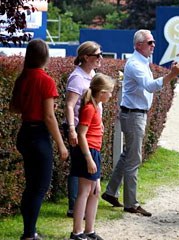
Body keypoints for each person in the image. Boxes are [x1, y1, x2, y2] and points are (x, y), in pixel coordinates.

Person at [101, 29, 179, 217]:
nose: (153, 45)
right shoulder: (136, 64)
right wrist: (172, 75)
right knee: (133, 159)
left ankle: (110, 192)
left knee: (127, 155)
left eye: (153, 42)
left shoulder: (141, 62)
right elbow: (149, 86)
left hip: (135, 114)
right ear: (138, 45)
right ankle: (131, 204)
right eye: (149, 42)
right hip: (133, 115)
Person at [9, 39, 69, 240]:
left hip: (25, 133)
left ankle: (29, 231)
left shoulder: (22, 78)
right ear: (45, 56)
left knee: (31, 186)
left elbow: (14, 108)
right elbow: (49, 117)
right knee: (39, 187)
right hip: (39, 136)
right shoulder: (46, 80)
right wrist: (61, 144)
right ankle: (29, 234)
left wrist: (31, 107)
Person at [69, 73, 115, 240]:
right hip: (88, 152)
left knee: (95, 191)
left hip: (93, 151)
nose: (111, 95)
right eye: (109, 91)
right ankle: (77, 232)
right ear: (102, 92)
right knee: (85, 191)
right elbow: (81, 134)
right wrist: (89, 158)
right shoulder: (89, 108)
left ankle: (89, 230)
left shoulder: (95, 107)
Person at [64, 41, 103, 218]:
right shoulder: (77, 77)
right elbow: (70, 105)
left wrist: (99, 120)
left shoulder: (91, 74)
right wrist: (72, 129)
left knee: (83, 168)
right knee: (79, 167)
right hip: (79, 128)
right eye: (97, 55)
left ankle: (82, 205)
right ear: (86, 57)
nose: (100, 58)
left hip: (88, 127)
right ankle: (74, 205)